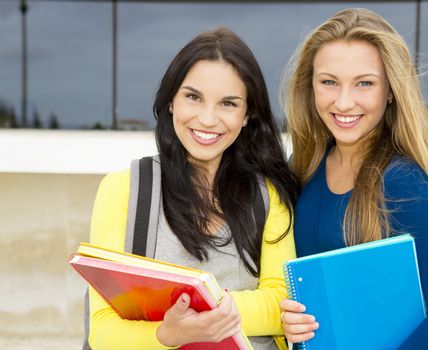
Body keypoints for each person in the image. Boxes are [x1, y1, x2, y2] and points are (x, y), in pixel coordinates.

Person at [87, 27, 300, 350]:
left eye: (228, 103)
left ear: (248, 115)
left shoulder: (268, 196)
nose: (207, 118)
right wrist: (168, 334)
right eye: (193, 97)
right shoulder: (123, 190)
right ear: (171, 101)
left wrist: (201, 313)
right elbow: (102, 330)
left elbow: (280, 304)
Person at [280, 8, 428, 349]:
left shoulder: (403, 182)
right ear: (309, 86)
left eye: (365, 83)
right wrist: (288, 320)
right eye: (329, 82)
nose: (344, 102)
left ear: (389, 91)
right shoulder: (303, 167)